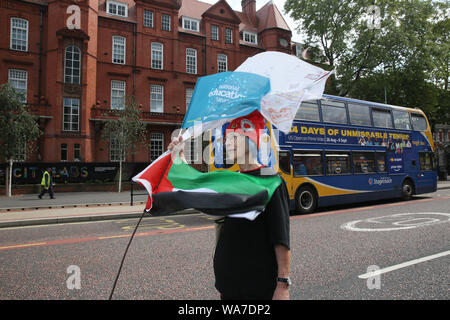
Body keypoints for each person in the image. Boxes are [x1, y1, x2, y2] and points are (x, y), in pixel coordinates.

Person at [169, 111, 291, 300]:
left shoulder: (271, 181)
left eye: (234, 137)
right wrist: (179, 156)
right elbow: (197, 187)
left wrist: (283, 285)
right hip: (229, 286)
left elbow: (280, 238)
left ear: (252, 139)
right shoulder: (234, 179)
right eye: (226, 138)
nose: (226, 143)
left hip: (257, 288)